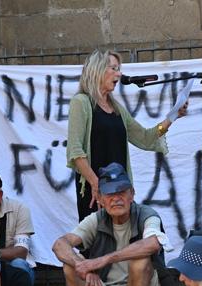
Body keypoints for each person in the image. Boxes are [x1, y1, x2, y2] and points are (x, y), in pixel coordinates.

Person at [52, 164, 170, 286]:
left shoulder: (146, 214)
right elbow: (60, 244)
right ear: (100, 198)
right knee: (70, 266)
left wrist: (103, 260)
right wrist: (82, 267)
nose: (116, 199)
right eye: (109, 194)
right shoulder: (97, 219)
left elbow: (153, 243)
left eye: (121, 192)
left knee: (140, 260)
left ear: (132, 194)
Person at [65, 49, 184, 218]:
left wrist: (173, 116)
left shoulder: (117, 108)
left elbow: (145, 137)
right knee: (100, 241)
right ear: (97, 70)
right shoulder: (81, 102)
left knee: (125, 240)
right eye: (113, 68)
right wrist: (96, 184)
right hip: (96, 192)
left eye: (119, 69)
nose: (119, 74)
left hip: (119, 190)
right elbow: (75, 151)